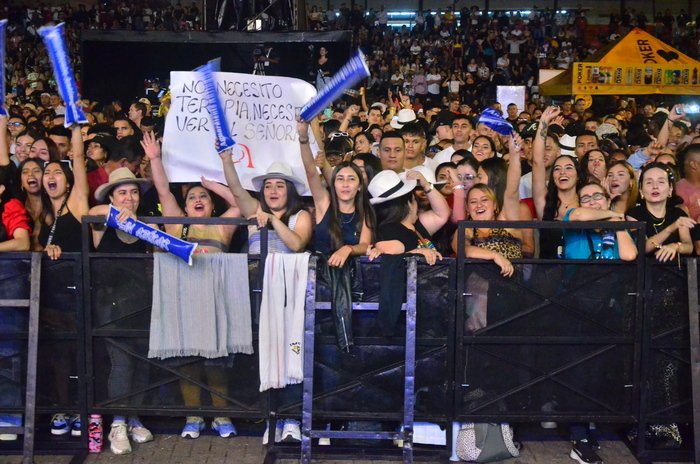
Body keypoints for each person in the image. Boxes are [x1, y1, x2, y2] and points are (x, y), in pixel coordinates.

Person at [140, 130, 242, 440]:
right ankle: (194, 417)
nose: (198, 200)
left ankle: (221, 416)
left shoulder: (223, 228)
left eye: (203, 197)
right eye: (192, 197)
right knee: (187, 365)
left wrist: (212, 184)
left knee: (216, 366)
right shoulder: (176, 224)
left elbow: (240, 201)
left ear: (212, 206)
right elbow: (162, 191)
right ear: (185, 207)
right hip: (183, 303)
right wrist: (156, 159)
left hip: (215, 304)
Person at [88, 168, 155, 454]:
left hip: (143, 304)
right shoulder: (103, 223)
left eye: (134, 192)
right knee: (122, 363)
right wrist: (115, 212)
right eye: (123, 192)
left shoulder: (148, 224)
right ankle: (116, 422)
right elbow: (92, 209)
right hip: (111, 305)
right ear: (113, 197)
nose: (130, 198)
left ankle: (131, 417)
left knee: (140, 364)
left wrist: (143, 229)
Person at [367, 169, 449, 265]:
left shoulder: (417, 225)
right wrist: (417, 253)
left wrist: (427, 185)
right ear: (408, 204)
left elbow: (442, 213)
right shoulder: (388, 230)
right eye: (415, 200)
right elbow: (389, 257)